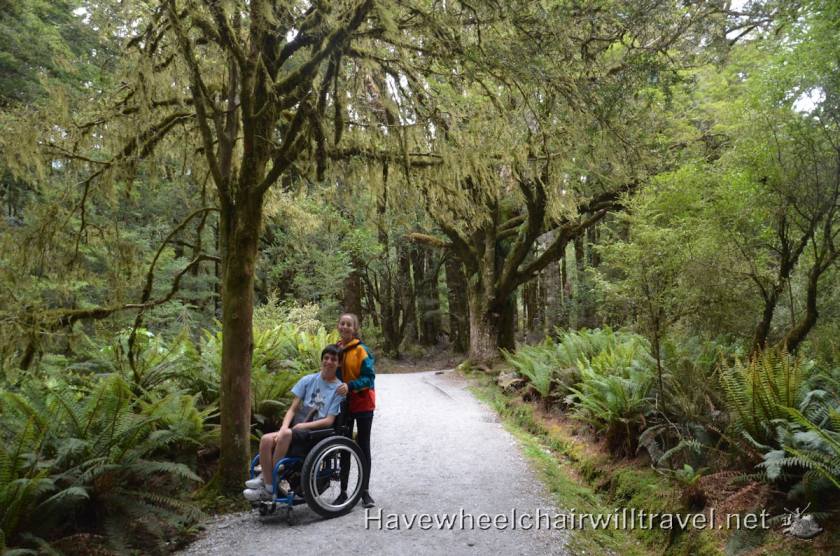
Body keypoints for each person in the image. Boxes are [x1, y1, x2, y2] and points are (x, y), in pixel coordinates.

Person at [243, 344, 344, 501]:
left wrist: (300, 426)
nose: (329, 362)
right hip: (295, 429)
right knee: (265, 439)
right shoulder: (308, 380)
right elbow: (292, 409)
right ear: (322, 360)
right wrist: (284, 427)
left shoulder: (338, 389)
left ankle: (267, 479)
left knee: (287, 434)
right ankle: (269, 487)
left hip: (315, 433)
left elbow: (329, 420)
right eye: (326, 358)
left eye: (333, 359)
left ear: (339, 364)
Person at [334, 312, 376, 508]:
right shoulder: (335, 350)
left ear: (355, 328)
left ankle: (364, 492)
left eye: (349, 324)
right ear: (338, 326)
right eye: (342, 323)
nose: (345, 327)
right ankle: (343, 492)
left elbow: (369, 378)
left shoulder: (362, 351)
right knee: (343, 447)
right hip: (343, 406)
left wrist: (350, 386)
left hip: (363, 404)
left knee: (363, 445)